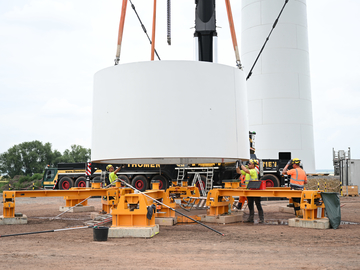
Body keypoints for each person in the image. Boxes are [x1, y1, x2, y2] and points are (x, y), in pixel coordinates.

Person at [236, 159, 264, 223]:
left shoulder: (254, 171)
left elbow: (245, 170)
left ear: (253, 165)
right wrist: (237, 166)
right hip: (249, 190)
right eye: (248, 163)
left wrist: (241, 164)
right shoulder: (248, 171)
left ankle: (262, 219)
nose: (248, 164)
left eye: (250, 164)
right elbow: (239, 172)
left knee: (258, 204)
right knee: (250, 204)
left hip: (255, 190)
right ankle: (250, 218)